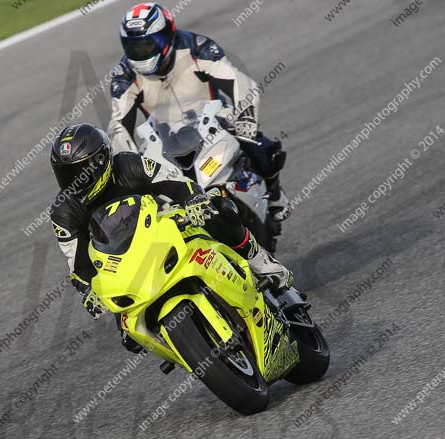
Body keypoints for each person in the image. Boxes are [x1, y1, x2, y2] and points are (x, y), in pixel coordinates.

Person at [49, 124, 292, 353]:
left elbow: (174, 182)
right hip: (120, 262)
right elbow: (78, 262)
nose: (73, 181)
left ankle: (262, 262)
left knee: (218, 207)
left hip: (162, 227)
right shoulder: (63, 212)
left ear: (102, 160)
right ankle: (191, 347)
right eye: (65, 174)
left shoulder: (127, 164)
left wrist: (193, 199)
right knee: (131, 339)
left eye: (79, 171)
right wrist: (89, 289)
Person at [108, 2, 291, 248]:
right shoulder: (124, 74)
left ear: (166, 36)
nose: (140, 53)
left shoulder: (196, 47)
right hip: (164, 138)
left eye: (147, 45)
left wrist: (246, 117)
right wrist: (124, 159)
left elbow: (238, 81)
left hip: (215, 118)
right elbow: (119, 125)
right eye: (133, 47)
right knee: (148, 198)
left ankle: (276, 196)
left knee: (264, 149)